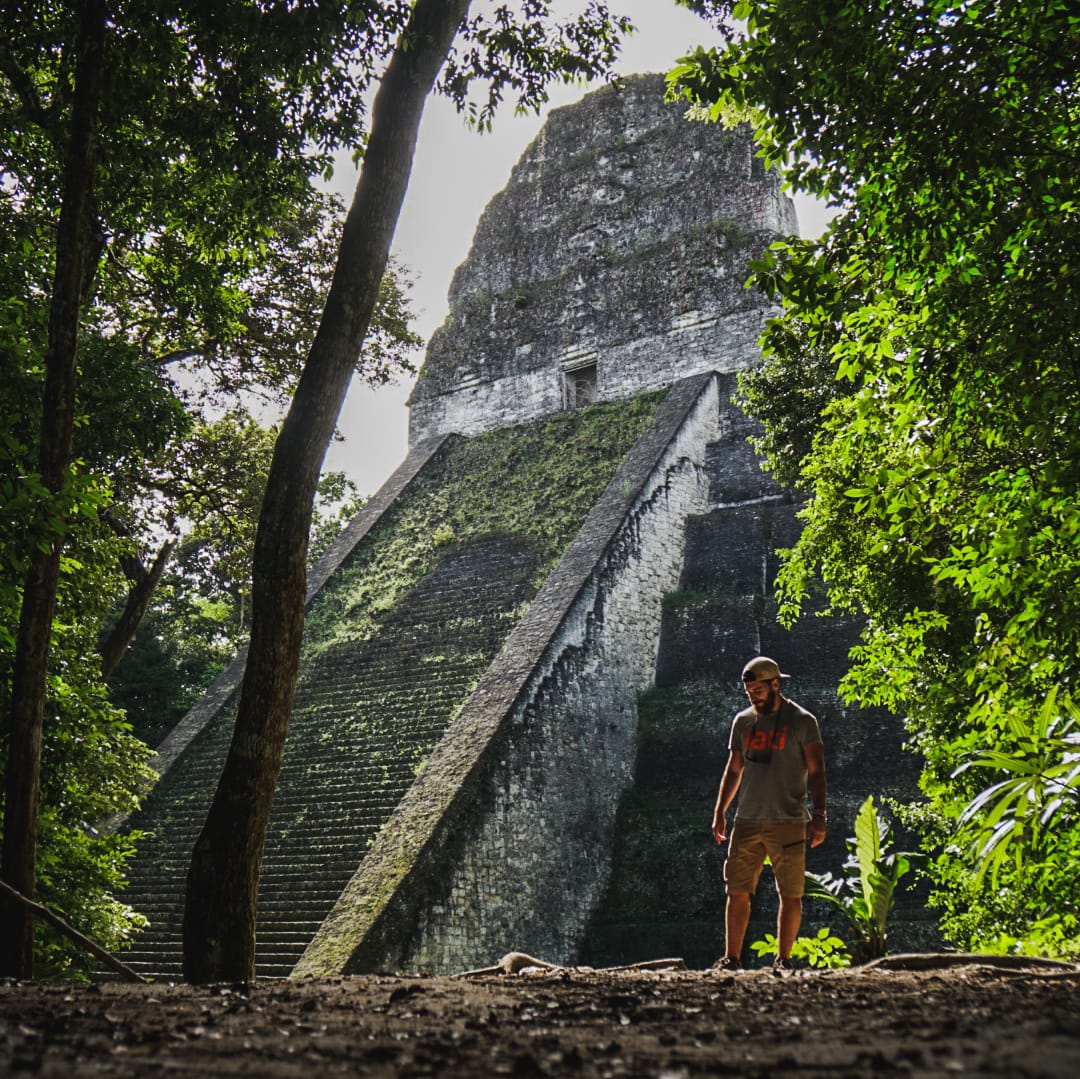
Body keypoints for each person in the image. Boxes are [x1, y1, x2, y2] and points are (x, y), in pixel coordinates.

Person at [711, 655, 827, 973]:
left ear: (776, 684)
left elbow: (817, 772)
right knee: (736, 890)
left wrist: (819, 816)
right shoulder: (743, 722)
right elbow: (733, 768)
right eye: (749, 692)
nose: (753, 696)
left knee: (789, 893)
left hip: (789, 820)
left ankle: (783, 960)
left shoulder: (803, 721)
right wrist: (721, 810)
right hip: (747, 820)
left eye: (758, 690)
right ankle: (731, 958)